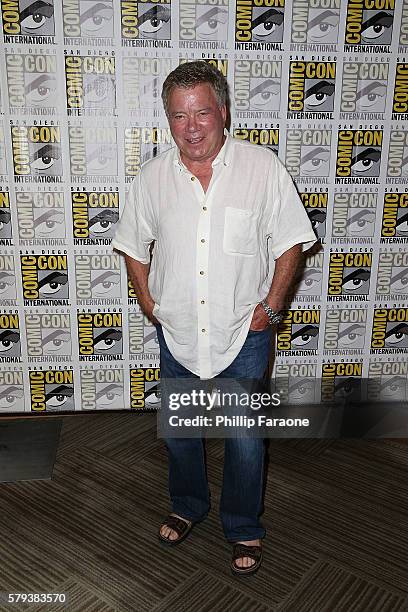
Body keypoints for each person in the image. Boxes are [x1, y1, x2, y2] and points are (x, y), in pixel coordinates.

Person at [112, 61, 316, 576]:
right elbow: (133, 246)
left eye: (202, 112)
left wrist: (270, 308)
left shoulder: (261, 168)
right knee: (181, 430)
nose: (192, 126)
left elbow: (291, 240)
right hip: (178, 331)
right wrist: (147, 301)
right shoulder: (152, 178)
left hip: (243, 333)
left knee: (245, 439)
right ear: (168, 120)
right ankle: (187, 506)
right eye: (179, 116)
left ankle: (244, 525)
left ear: (223, 112)